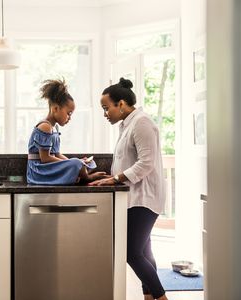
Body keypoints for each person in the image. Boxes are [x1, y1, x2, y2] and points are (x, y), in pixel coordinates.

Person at [89, 78, 168, 300]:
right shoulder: (128, 125)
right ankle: (148, 296)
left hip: (145, 197)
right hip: (135, 196)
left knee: (131, 252)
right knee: (143, 251)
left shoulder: (142, 123)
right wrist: (110, 176)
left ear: (121, 104)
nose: (105, 114)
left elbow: (146, 163)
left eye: (107, 108)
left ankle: (161, 297)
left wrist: (115, 179)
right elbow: (129, 160)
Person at [26, 79, 106, 185]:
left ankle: (79, 173)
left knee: (83, 162)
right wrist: (74, 163)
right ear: (55, 109)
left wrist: (76, 162)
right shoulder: (45, 126)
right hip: (40, 171)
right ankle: (86, 177)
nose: (69, 118)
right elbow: (45, 158)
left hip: (48, 167)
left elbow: (57, 154)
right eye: (69, 113)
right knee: (76, 163)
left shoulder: (54, 128)